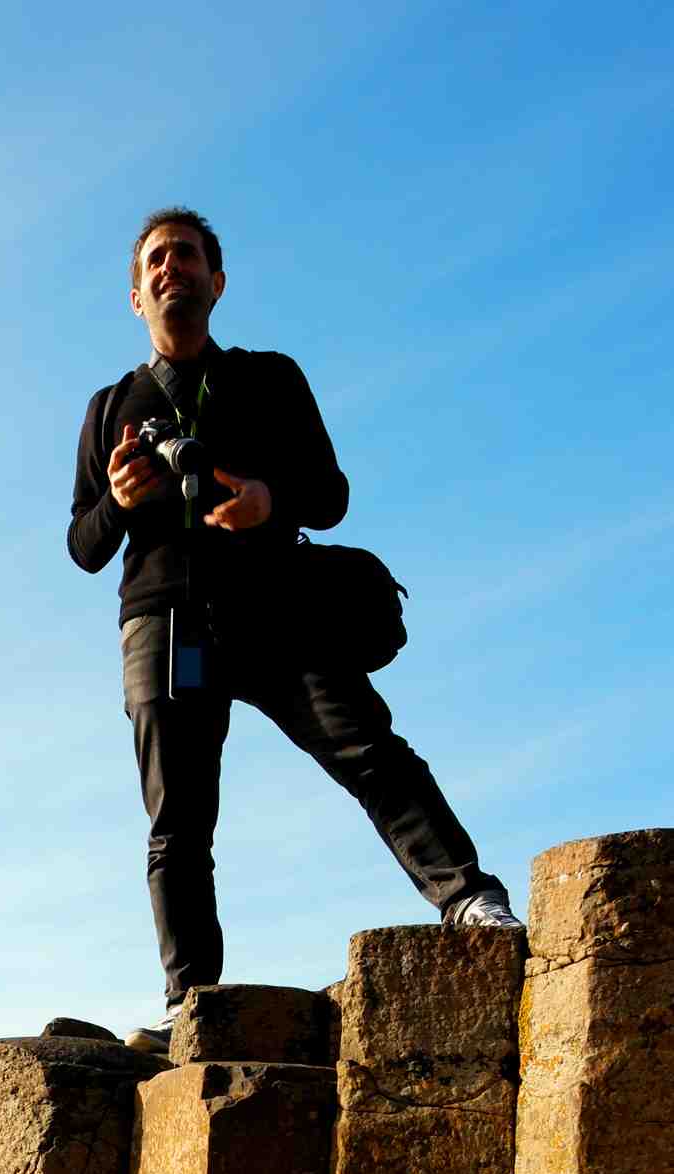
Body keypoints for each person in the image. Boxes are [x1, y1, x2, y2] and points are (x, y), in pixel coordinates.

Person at [69, 209, 521, 1051]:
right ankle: (189, 1004)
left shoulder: (272, 377)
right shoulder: (108, 411)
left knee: (371, 752)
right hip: (170, 624)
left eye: (190, 256)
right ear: (136, 295)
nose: (175, 269)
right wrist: (119, 504)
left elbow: (331, 492)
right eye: (158, 260)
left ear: (218, 280)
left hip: (277, 608)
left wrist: (272, 499)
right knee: (180, 821)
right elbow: (82, 545)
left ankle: (471, 901)